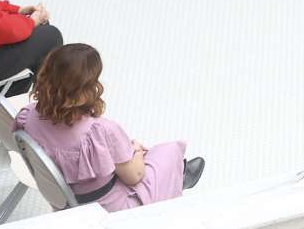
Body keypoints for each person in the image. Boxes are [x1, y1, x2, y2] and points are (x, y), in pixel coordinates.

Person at [13, 44, 203, 212]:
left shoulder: (27, 116)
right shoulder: (100, 131)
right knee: (168, 152)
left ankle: (174, 181)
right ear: (85, 89)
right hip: (111, 209)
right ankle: (178, 180)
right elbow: (134, 176)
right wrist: (135, 150)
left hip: (66, 201)